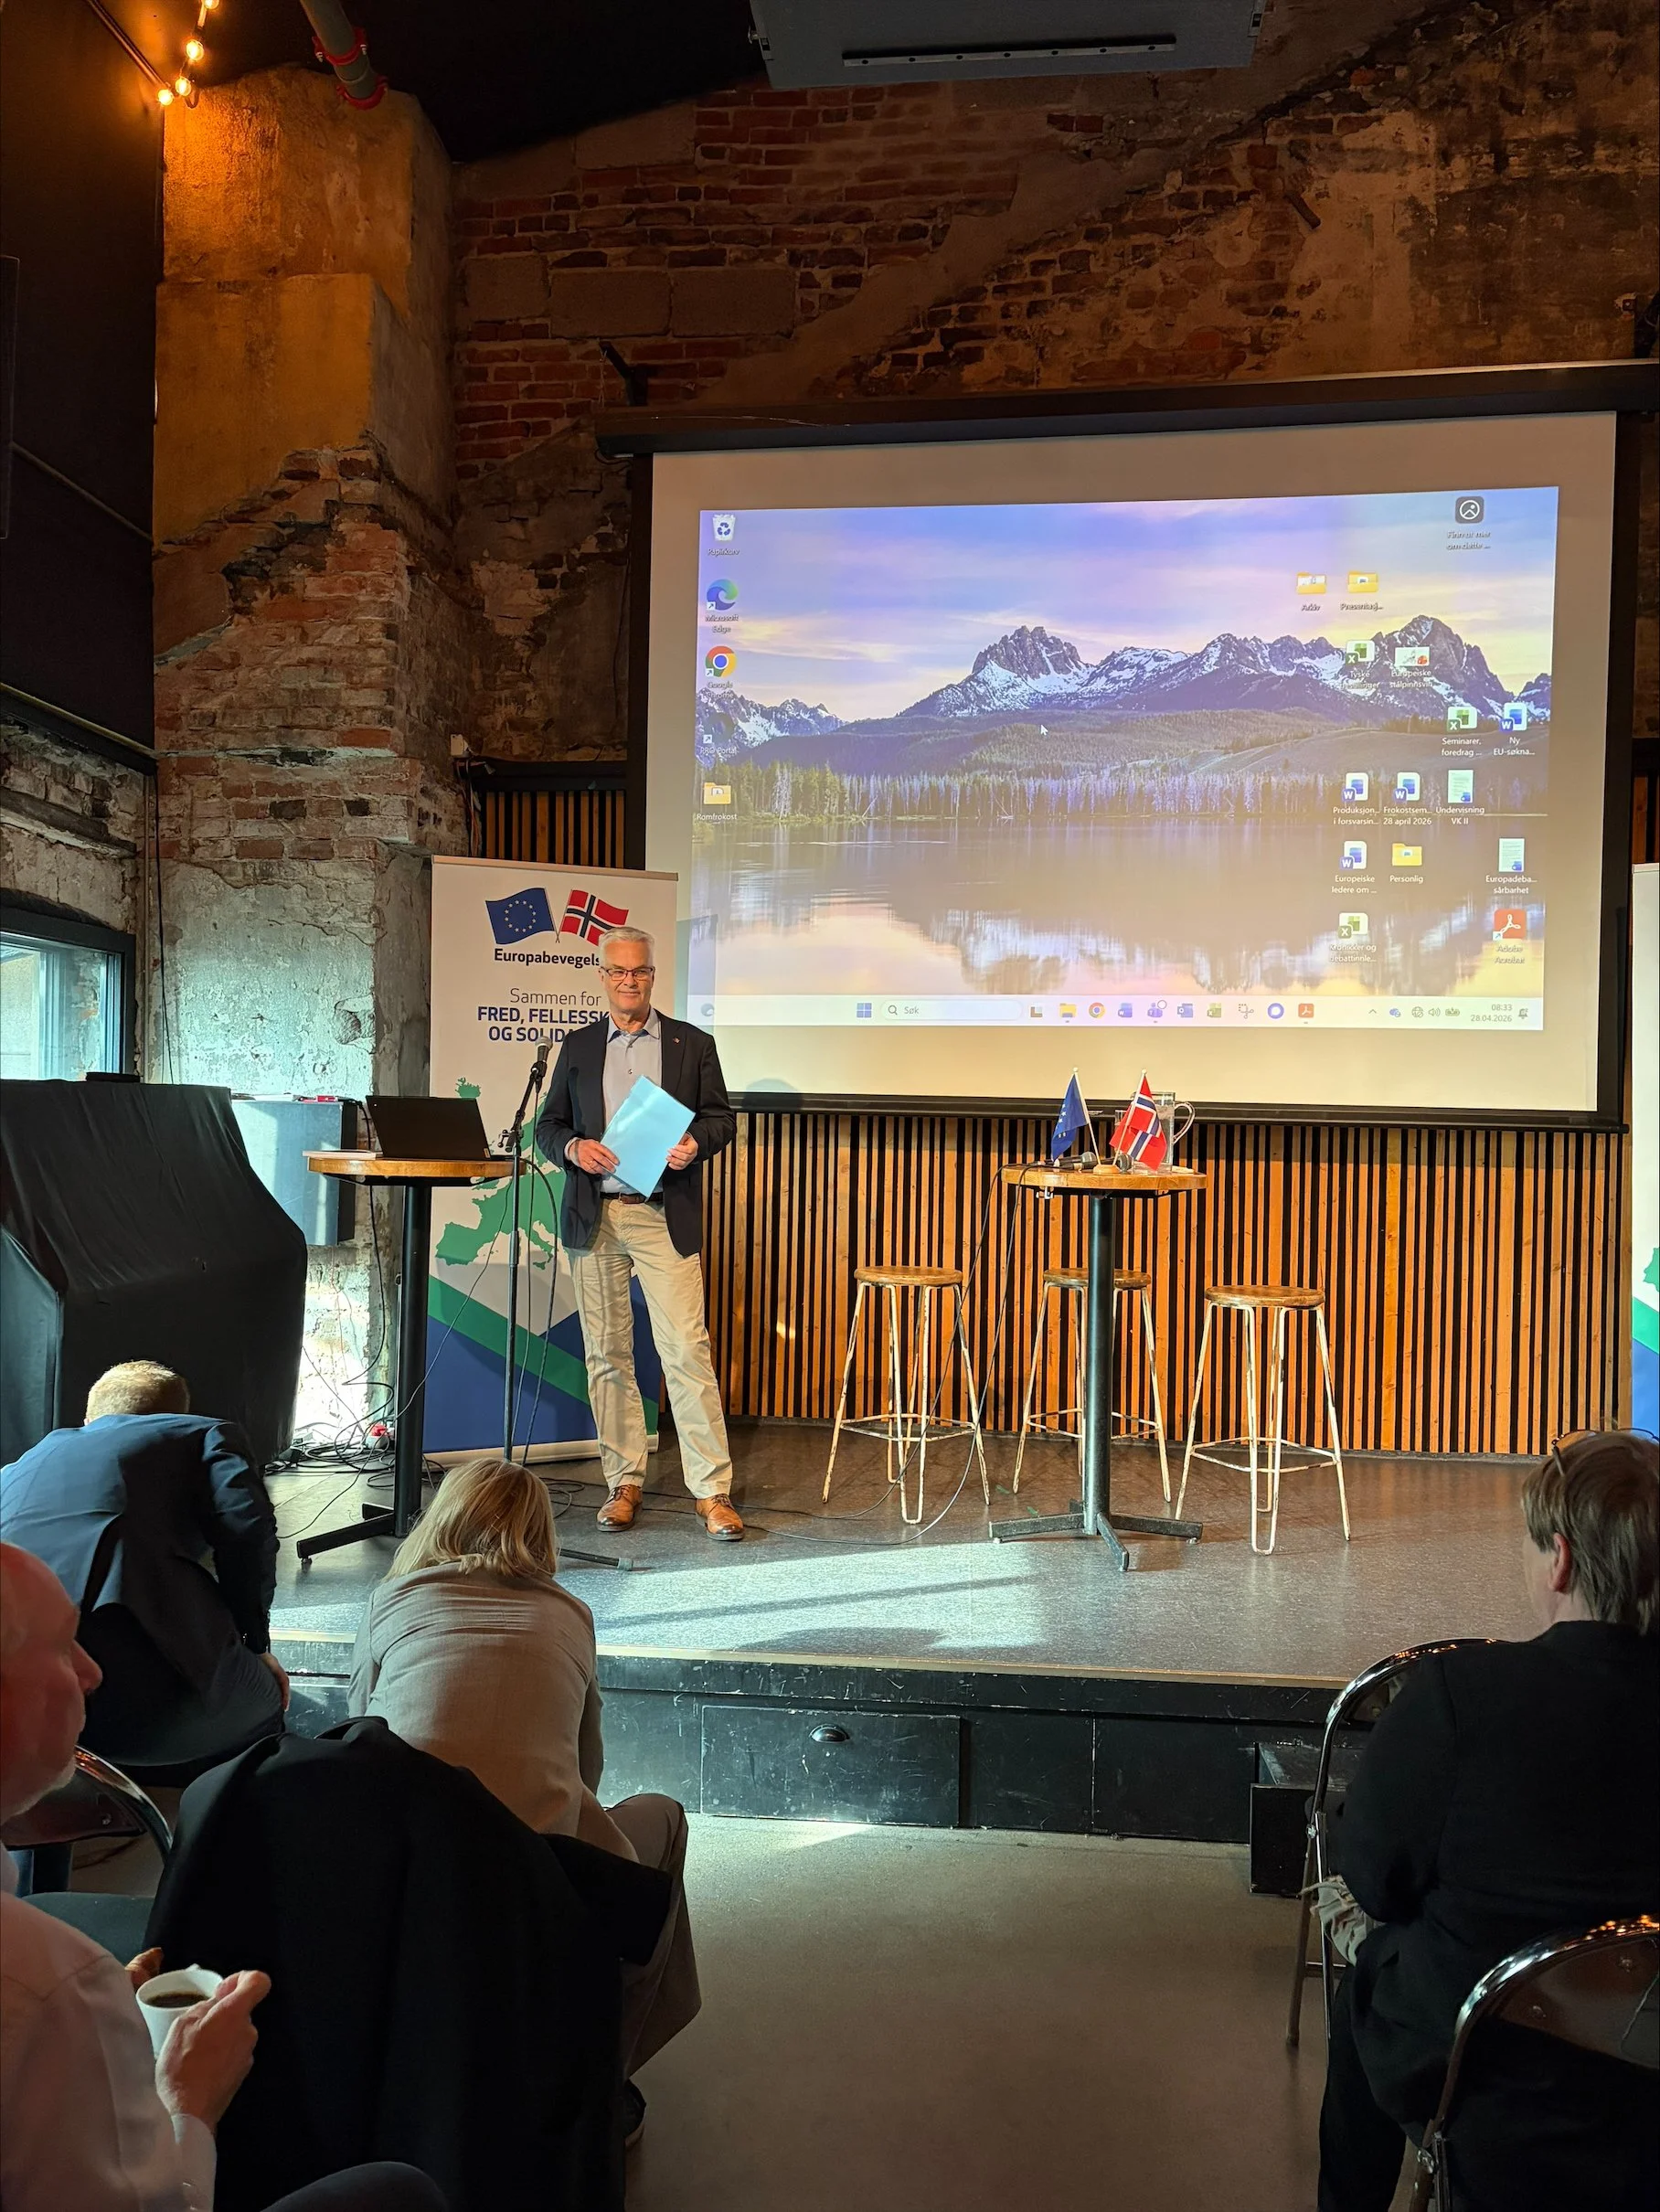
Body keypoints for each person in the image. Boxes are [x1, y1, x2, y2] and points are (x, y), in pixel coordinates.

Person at [0, 1544, 441, 2212]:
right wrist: (189, 2103)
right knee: (400, 2190)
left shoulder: (56, 1991)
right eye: (64, 1647)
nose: (92, 1672)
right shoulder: (51, 1985)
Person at [1318, 1430, 1660, 2212]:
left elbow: (1373, 1881)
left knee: (1372, 1976)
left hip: (1494, 2083)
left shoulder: (1458, 1697)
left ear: (1561, 1560)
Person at [348, 1456, 700, 2134]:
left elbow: (359, 1730)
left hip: (398, 1866)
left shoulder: (391, 1601)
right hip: (532, 1873)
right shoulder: (570, 1615)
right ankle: (601, 2080)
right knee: (665, 1821)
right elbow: (586, 1772)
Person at [537, 924, 743, 1538]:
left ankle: (712, 1492)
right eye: (619, 971)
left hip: (661, 1214)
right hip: (596, 1217)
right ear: (603, 977)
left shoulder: (691, 1043)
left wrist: (694, 1143)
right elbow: (548, 1127)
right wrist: (574, 1148)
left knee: (686, 1351)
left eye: (641, 971)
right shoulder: (577, 1046)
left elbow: (721, 1119)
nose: (630, 981)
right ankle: (622, 1483)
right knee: (607, 1356)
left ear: (653, 974)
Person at [0, 1360, 288, 1774]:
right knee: (265, 1702)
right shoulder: (205, 1433)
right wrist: (256, 1644)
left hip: (18, 1705)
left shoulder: (23, 1463)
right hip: (144, 1701)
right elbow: (247, 1531)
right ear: (178, 1414)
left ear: (89, 1419)